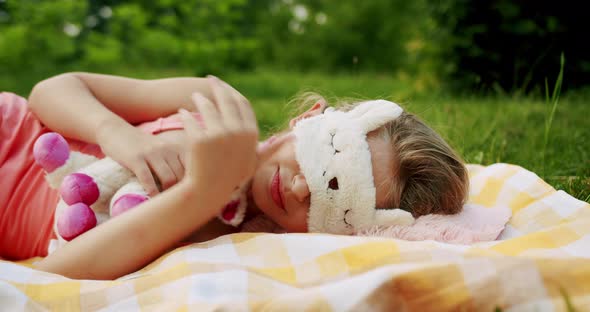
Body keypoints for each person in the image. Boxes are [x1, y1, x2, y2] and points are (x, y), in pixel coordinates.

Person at [0, 73, 468, 280]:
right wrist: (116, 134)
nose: (303, 187)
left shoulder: (216, 243)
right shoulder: (214, 104)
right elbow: (53, 90)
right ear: (307, 119)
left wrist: (200, 196)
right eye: (322, 161)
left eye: (332, 201)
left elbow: (57, 274)